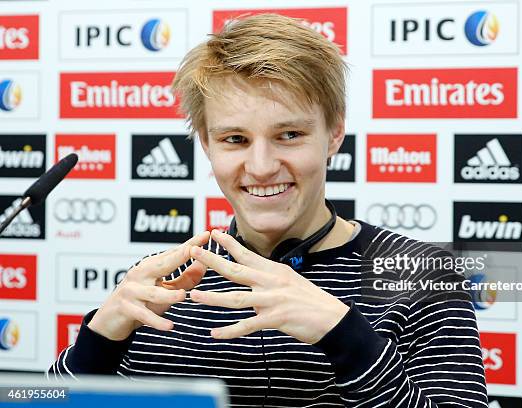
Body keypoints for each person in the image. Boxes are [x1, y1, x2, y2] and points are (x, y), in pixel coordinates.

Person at [50, 13, 488, 407]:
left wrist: (343, 333)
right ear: (206, 144)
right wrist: (97, 340)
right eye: (234, 140)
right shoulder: (163, 282)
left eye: (290, 135)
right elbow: (45, 402)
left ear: (334, 134)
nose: (260, 167)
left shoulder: (423, 272)